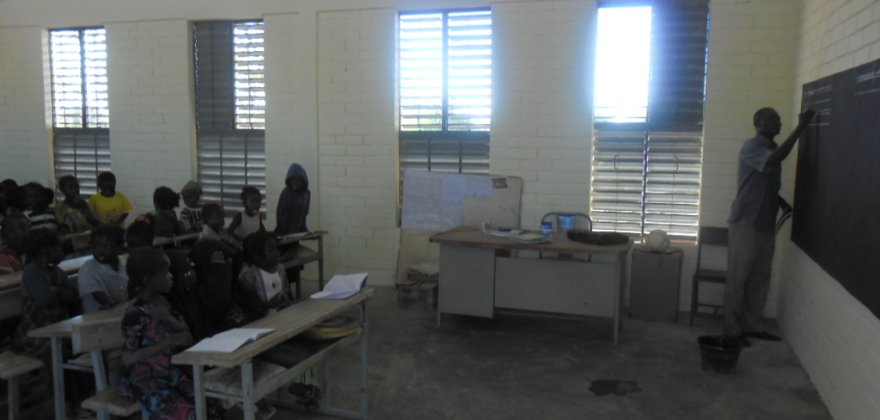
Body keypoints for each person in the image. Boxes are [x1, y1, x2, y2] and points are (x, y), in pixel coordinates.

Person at [724, 108, 816, 347]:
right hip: (747, 221)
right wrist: (801, 128)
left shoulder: (772, 148)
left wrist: (779, 201)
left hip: (765, 221)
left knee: (760, 277)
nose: (778, 122)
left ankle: (752, 325)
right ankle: (732, 331)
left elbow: (763, 184)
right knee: (738, 278)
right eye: (773, 119)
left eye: (779, 118)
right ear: (758, 123)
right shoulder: (751, 147)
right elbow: (773, 162)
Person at [120, 247, 221, 420]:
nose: (171, 276)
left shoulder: (163, 302)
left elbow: (187, 336)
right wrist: (166, 342)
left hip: (170, 373)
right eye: (166, 273)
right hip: (145, 381)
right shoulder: (135, 314)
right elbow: (127, 358)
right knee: (191, 414)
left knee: (211, 404)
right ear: (148, 280)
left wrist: (171, 320)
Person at [12, 229, 79, 359]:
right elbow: (44, 299)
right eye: (58, 247)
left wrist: (56, 291)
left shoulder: (57, 271)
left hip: (57, 328)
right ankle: (57, 379)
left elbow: (73, 295)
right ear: (44, 250)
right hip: (35, 333)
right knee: (57, 353)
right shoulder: (32, 272)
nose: (61, 252)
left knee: (79, 346)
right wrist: (60, 293)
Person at [237, 231, 290, 321]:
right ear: (257, 256)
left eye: (277, 248)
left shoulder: (280, 269)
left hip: (281, 317)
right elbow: (247, 304)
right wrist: (266, 305)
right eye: (271, 250)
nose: (277, 253)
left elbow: (285, 290)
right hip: (260, 321)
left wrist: (285, 300)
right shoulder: (249, 274)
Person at [78, 225, 128, 313]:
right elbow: (103, 299)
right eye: (96, 245)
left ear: (118, 248)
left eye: (106, 246)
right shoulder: (87, 269)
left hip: (121, 313)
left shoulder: (124, 264)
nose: (100, 250)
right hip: (97, 317)